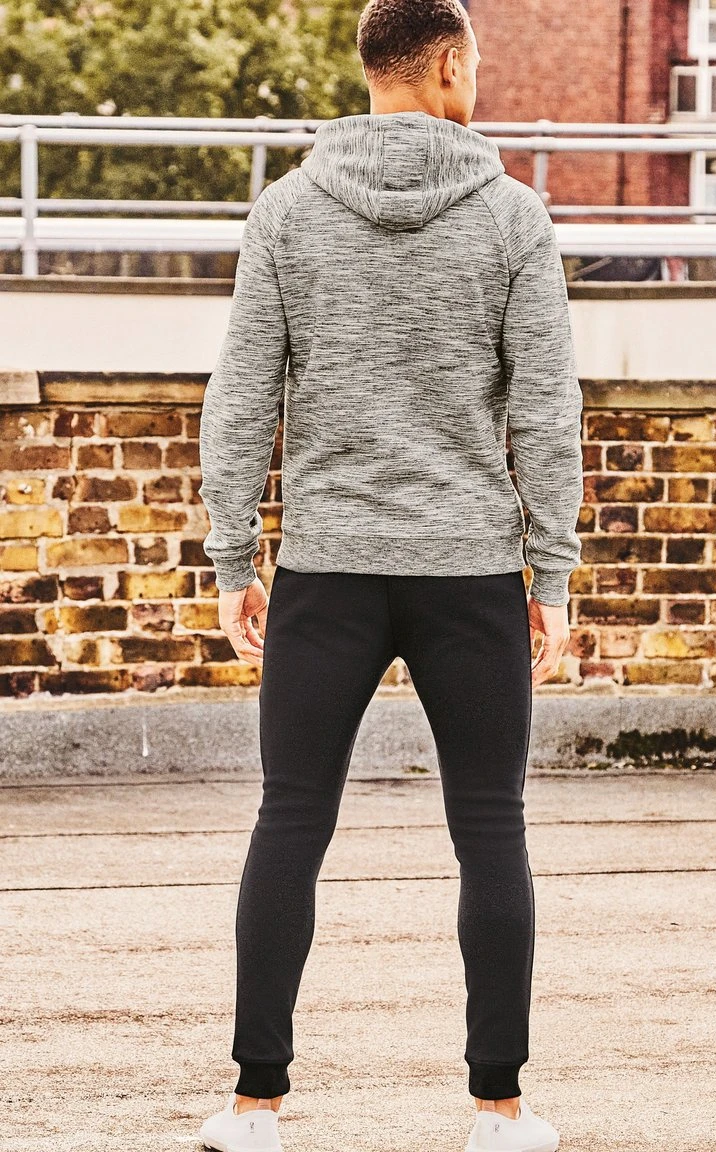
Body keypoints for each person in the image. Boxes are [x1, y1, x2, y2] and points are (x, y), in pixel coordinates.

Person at [196, 1, 583, 1149]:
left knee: (289, 818)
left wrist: (232, 556)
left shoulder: (286, 211)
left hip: (327, 567)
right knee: (490, 828)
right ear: (449, 63)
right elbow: (545, 412)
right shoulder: (512, 217)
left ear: (370, 68)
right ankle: (498, 1111)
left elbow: (241, 398)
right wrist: (550, 576)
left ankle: (253, 1107)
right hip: (469, 571)